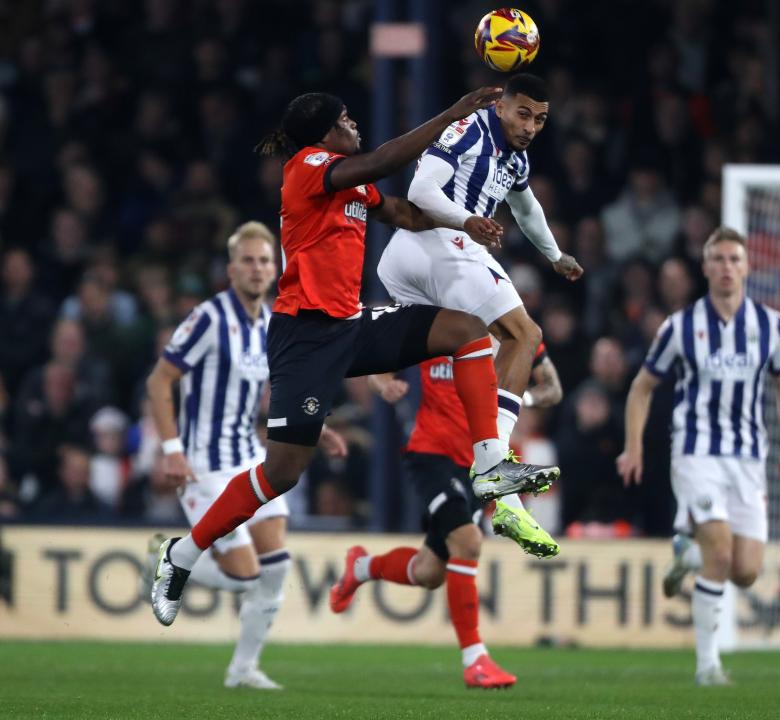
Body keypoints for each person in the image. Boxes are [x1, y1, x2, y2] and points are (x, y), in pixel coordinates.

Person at [149, 87, 560, 627]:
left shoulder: (350, 180)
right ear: (325, 134)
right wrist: (454, 114)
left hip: (351, 322)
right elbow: (386, 160)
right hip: (305, 338)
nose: (354, 124)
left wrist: (465, 224)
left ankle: (489, 466)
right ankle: (181, 555)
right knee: (281, 473)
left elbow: (405, 214)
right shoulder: (307, 167)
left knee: (466, 332)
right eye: (345, 120)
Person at [377, 73, 583, 557]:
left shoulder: (516, 157)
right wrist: (467, 220)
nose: (531, 126)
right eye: (524, 114)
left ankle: (500, 488)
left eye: (541, 119)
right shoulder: (469, 128)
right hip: (435, 244)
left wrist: (554, 256)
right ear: (504, 107)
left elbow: (527, 209)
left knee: (475, 343)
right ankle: (495, 463)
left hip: (427, 262)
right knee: (524, 334)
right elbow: (421, 191)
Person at [144, 221, 349, 688]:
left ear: (275, 269)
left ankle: (243, 669)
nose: (257, 269)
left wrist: (317, 429)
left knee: (276, 569)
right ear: (231, 269)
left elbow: (276, 394)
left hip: (247, 456)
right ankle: (168, 559)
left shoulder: (273, 323)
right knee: (245, 575)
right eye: (248, 261)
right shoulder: (209, 318)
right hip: (203, 465)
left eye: (264, 261)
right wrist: (172, 450)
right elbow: (159, 381)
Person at [616, 227, 780, 685]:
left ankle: (688, 554)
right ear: (705, 268)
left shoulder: (771, 325)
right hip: (696, 454)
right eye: (717, 259)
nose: (726, 267)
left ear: (747, 267)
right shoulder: (680, 326)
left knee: (745, 571)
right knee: (721, 552)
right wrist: (633, 445)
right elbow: (641, 387)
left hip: (749, 459)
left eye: (734, 259)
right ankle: (707, 666)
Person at [328, 342, 563, 688]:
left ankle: (360, 567)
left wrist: (517, 400)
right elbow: (380, 365)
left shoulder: (510, 325)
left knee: (429, 572)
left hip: (479, 467)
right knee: (468, 542)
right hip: (432, 455)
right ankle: (475, 661)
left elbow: (552, 388)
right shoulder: (439, 321)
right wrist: (383, 385)